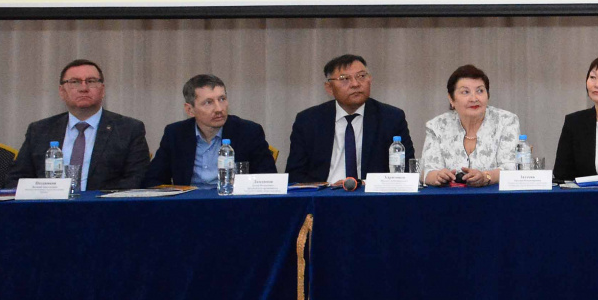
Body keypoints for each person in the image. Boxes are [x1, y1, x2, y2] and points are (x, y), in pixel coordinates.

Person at [5, 59, 150, 191]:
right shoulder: (39, 130)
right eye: (75, 82)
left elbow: (137, 179)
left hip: (104, 208)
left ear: (102, 90)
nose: (83, 88)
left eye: (91, 81)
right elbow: (16, 179)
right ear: (62, 92)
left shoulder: (128, 129)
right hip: (49, 208)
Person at [284, 54, 413, 187]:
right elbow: (294, 175)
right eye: (345, 79)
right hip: (325, 194)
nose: (355, 84)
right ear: (329, 88)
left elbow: (406, 171)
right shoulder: (308, 121)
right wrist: (327, 186)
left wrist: (364, 183)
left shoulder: (391, 118)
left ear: (370, 80)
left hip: (370, 194)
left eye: (361, 76)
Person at [142, 75, 277, 188]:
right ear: (190, 110)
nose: (219, 109)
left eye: (222, 99)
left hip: (233, 205)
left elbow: (268, 179)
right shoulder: (175, 134)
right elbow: (152, 180)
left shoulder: (248, 132)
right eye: (208, 102)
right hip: (188, 206)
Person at [418, 65, 524, 186]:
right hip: (449, 196)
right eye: (465, 92)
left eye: (480, 91)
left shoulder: (506, 121)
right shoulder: (437, 126)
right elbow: (426, 171)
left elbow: (512, 167)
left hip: (495, 196)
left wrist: (486, 177)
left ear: (488, 95)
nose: (474, 98)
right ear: (451, 99)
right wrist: (437, 176)